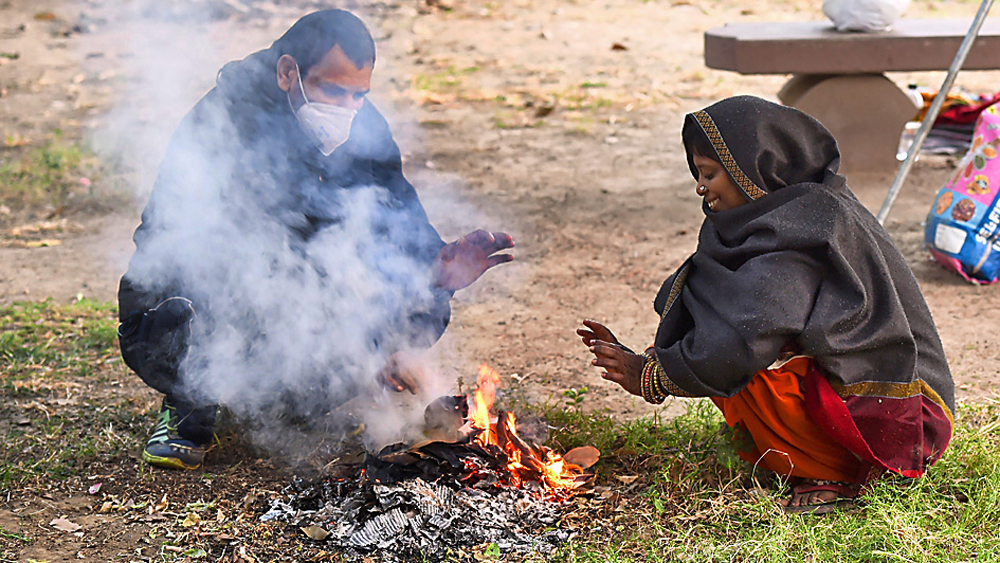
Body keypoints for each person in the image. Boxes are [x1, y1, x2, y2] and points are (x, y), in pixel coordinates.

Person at [118, 10, 514, 470]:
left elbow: (395, 214)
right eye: (333, 90)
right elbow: (253, 250)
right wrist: (356, 323)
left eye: (358, 95)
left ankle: (293, 399)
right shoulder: (227, 121)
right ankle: (190, 404)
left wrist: (434, 268)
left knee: (425, 300)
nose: (346, 108)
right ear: (289, 73)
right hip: (198, 295)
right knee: (220, 281)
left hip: (301, 300)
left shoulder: (364, 127)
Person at [580, 95, 954, 513]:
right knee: (715, 331)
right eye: (697, 175)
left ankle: (834, 471)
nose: (701, 188)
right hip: (878, 402)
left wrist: (652, 376)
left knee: (744, 357)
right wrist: (656, 359)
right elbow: (709, 305)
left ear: (751, 169)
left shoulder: (806, 229)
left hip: (904, 424)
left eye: (709, 174)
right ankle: (812, 450)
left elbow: (742, 340)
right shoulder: (785, 212)